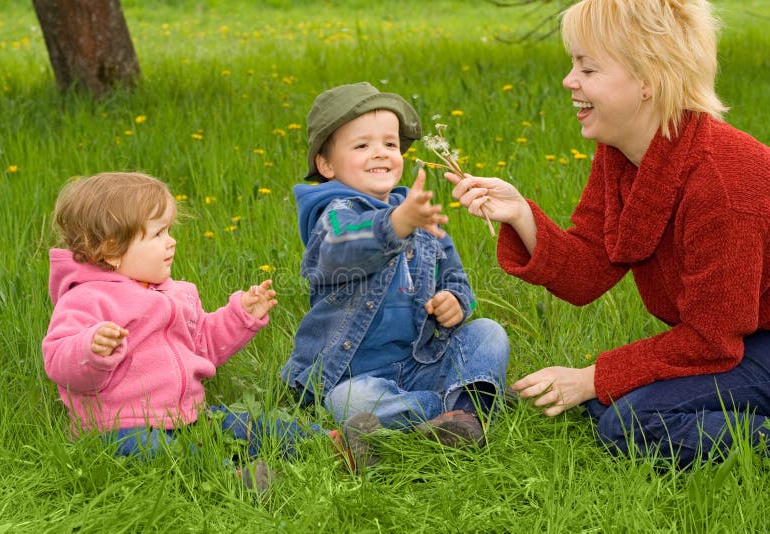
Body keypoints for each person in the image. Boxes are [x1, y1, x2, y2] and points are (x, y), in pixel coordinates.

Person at [448, 0, 770, 467]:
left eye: (588, 67)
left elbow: (710, 341)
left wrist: (592, 377)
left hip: (747, 342)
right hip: (740, 338)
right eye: (573, 63)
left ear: (647, 81)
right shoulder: (621, 152)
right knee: (608, 403)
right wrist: (519, 214)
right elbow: (587, 271)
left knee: (626, 423)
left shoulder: (725, 181)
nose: (569, 80)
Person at [42, 172, 374, 485]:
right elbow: (59, 360)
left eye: (169, 231)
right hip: (120, 428)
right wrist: (92, 349)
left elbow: (203, 347)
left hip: (190, 416)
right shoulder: (87, 299)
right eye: (158, 234)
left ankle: (331, 445)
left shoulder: (176, 293)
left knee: (250, 424)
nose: (171, 242)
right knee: (160, 453)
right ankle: (228, 481)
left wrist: (239, 316)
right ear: (112, 250)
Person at [281, 82, 511, 448]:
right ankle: (449, 410)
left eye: (390, 144)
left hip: (420, 362)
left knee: (488, 333)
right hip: (355, 374)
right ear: (326, 165)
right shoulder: (335, 215)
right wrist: (396, 224)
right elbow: (340, 248)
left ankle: (461, 415)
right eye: (362, 145)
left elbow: (455, 277)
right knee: (348, 403)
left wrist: (454, 300)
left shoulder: (417, 215)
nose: (381, 153)